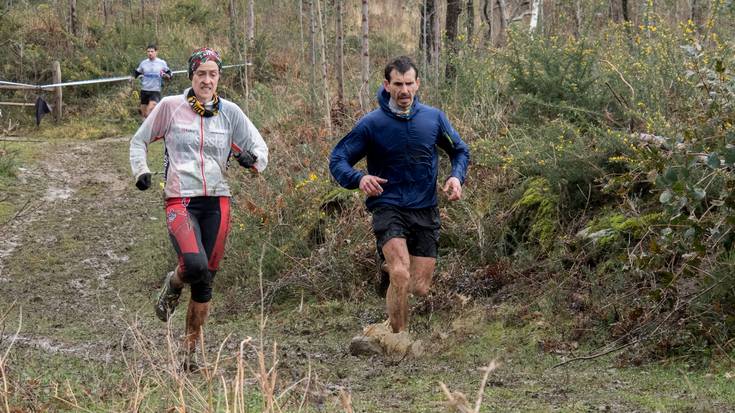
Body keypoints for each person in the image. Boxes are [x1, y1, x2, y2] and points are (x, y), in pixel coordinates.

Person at [129, 47, 268, 370]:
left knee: (205, 280)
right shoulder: (170, 107)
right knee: (193, 264)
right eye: (201, 74)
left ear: (219, 77)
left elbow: (259, 148)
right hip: (181, 198)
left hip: (218, 199)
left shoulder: (230, 112)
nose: (207, 80)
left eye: (213, 74)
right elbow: (138, 141)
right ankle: (174, 282)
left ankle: (190, 358)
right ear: (191, 75)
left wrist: (253, 160)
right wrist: (141, 171)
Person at [329, 56, 470, 337]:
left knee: (419, 286)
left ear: (417, 84)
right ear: (386, 85)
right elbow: (338, 159)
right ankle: (398, 339)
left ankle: (390, 274)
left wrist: (456, 176)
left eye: (409, 84)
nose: (404, 90)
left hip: (425, 208)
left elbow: (460, 150)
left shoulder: (434, 118)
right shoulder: (372, 124)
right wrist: (360, 178)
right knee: (401, 273)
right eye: (397, 84)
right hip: (388, 205)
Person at [133, 44, 172, 118]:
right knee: (144, 115)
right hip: (144, 90)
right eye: (148, 51)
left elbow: (169, 73)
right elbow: (137, 72)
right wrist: (132, 78)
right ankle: (150, 127)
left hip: (155, 91)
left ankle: (155, 125)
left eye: (152, 51)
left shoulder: (161, 63)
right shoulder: (143, 63)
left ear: (156, 52)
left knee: (149, 112)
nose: (150, 53)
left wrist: (167, 76)